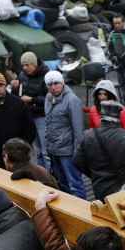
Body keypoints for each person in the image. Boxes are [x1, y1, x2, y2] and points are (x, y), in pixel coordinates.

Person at [74, 100, 125, 201]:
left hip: (100, 189)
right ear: (118, 117)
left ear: (101, 115)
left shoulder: (87, 135)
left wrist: (95, 174)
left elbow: (77, 161)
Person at [43, 70, 86, 199]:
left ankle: (82, 212)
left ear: (62, 82)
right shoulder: (48, 98)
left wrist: (77, 153)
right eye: (50, 84)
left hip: (68, 152)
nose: (53, 87)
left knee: (75, 185)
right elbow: (48, 123)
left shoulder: (72, 100)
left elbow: (78, 130)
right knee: (62, 184)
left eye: (56, 83)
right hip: (54, 150)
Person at [13, 51, 52, 170]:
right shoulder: (22, 75)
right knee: (37, 150)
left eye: (27, 65)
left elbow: (49, 98)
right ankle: (42, 173)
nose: (24, 68)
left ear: (34, 64)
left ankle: (52, 175)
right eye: (23, 65)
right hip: (29, 117)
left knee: (46, 151)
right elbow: (19, 96)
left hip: (41, 116)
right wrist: (14, 89)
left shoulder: (47, 76)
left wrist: (31, 99)